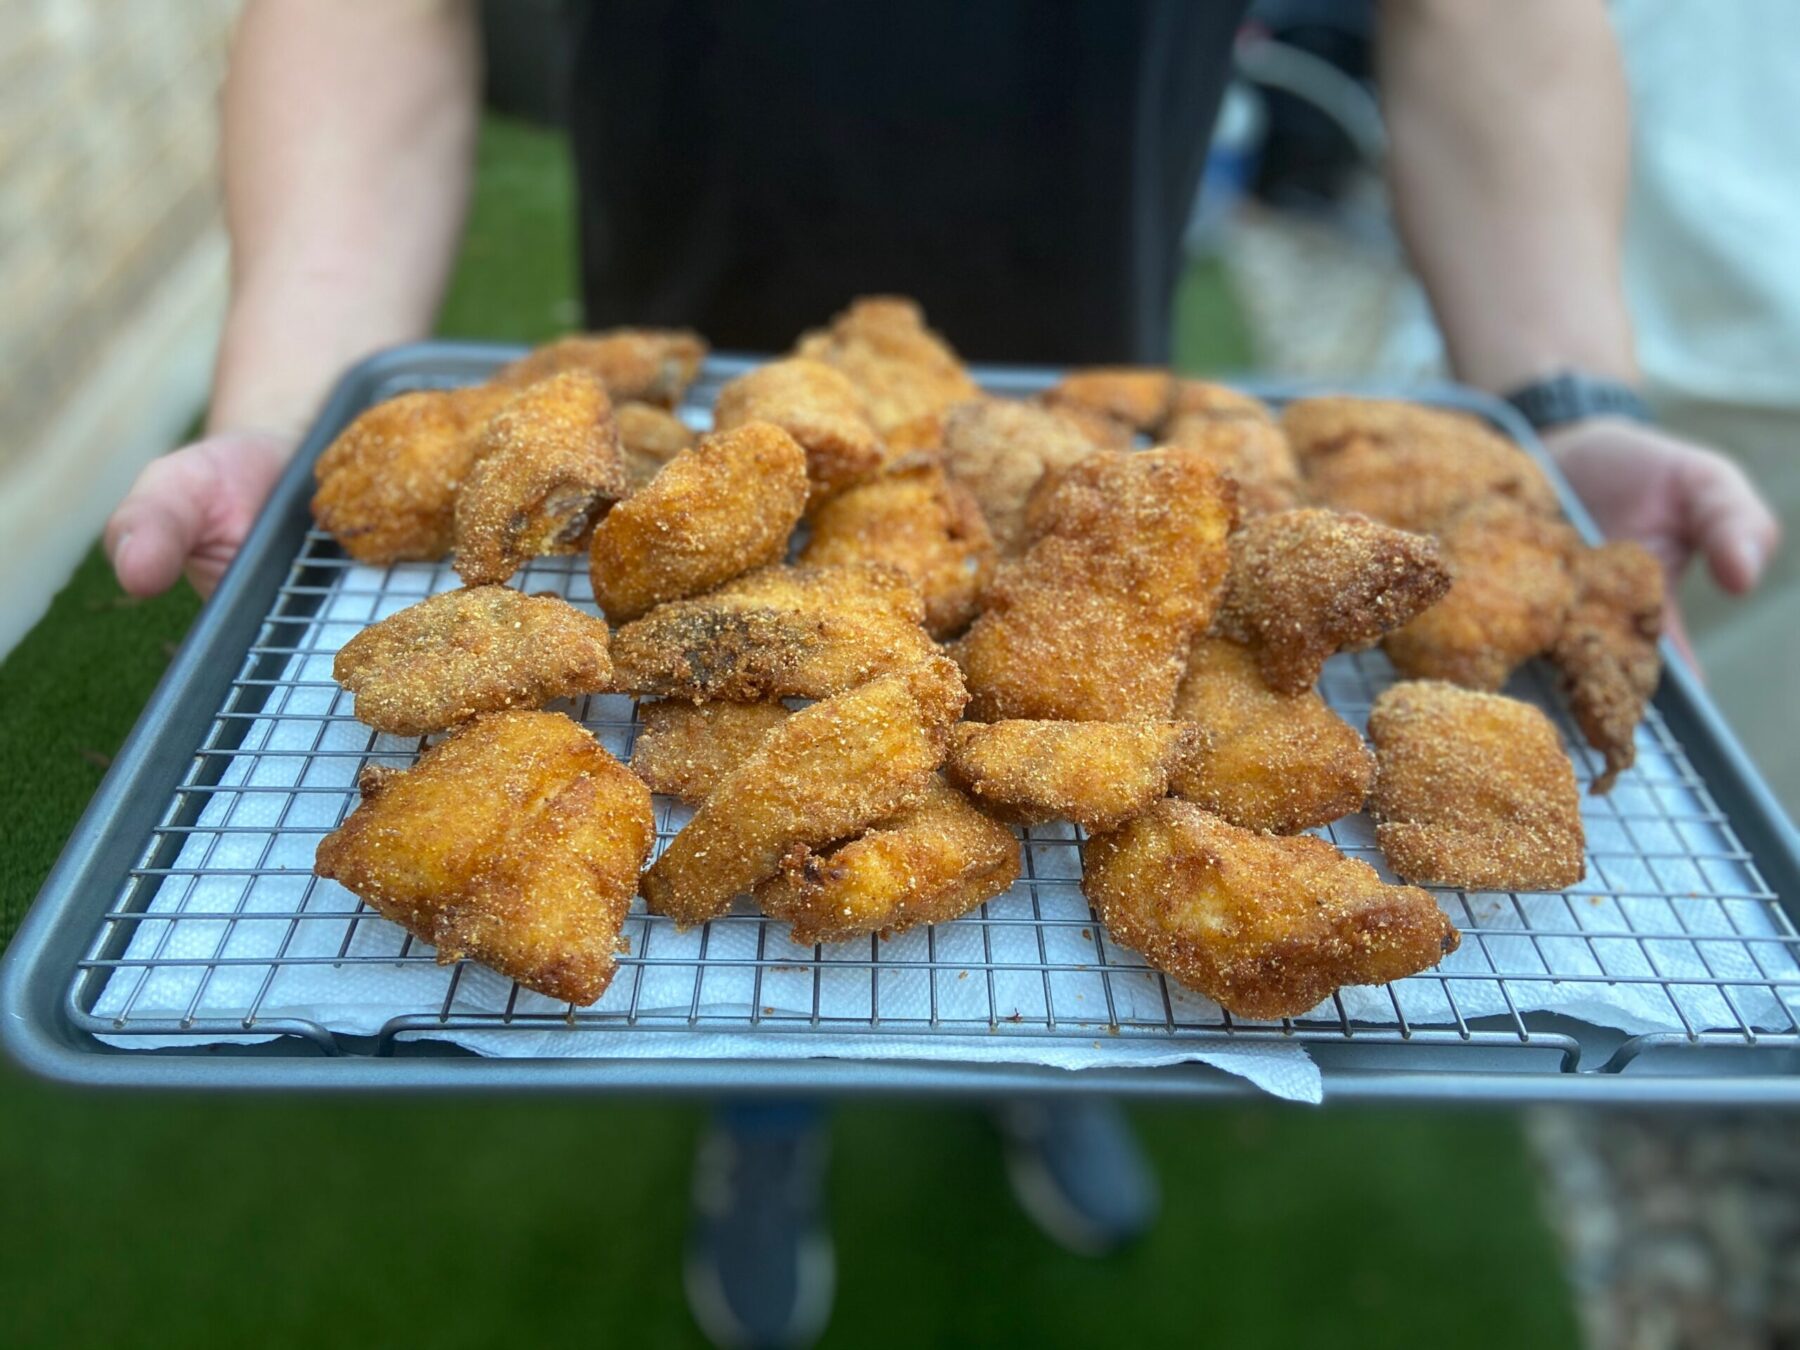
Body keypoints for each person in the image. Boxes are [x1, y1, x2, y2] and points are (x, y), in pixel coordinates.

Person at [101, 3, 1781, 1346]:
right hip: (702, 373)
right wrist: (286, 402)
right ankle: (769, 1127)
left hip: (1070, 381)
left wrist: (1564, 410)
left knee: (1032, 909)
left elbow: (1490, 22)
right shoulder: (686, 539)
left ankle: (1030, 1096)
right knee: (803, 938)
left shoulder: (1143, 554)